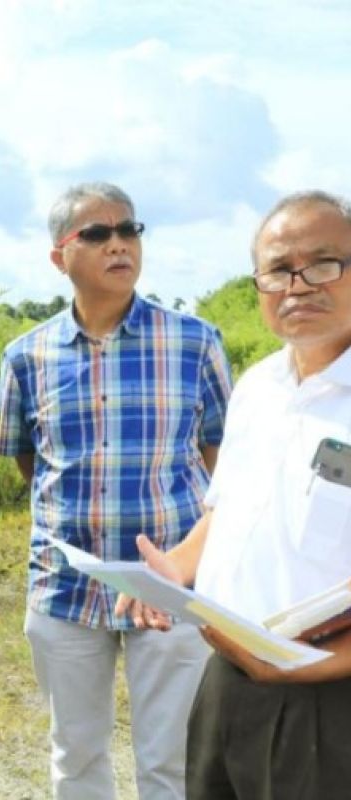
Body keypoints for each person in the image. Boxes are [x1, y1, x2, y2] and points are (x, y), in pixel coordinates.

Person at [0, 182, 233, 799]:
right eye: (96, 234)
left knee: (171, 757)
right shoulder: (26, 357)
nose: (118, 244)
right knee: (75, 754)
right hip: (67, 583)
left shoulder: (194, 342)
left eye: (129, 230)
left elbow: (221, 462)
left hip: (170, 583)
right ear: (59, 256)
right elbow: (30, 459)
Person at [121, 190, 351, 798]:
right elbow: (228, 512)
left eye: (324, 263)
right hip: (225, 676)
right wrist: (173, 570)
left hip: (330, 692)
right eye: (277, 270)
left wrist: (330, 664)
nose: (298, 285)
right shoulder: (257, 387)